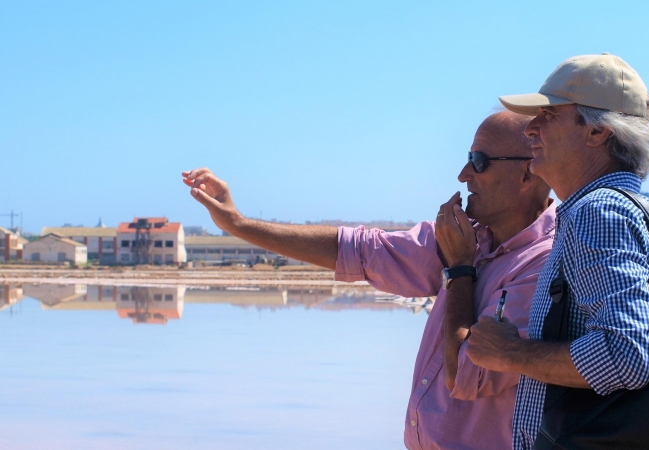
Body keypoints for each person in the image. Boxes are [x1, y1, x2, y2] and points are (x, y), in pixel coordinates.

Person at [181, 111, 557, 450]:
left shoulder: (544, 262)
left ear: (528, 171)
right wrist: (239, 224)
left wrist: (460, 269)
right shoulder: (472, 236)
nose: (463, 175)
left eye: (478, 161)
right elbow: (361, 250)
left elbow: (466, 375)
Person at [465, 53, 649, 449]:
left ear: (598, 133)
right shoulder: (637, 210)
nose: (530, 129)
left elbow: (627, 355)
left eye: (549, 115)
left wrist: (511, 352)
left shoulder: (598, 214)